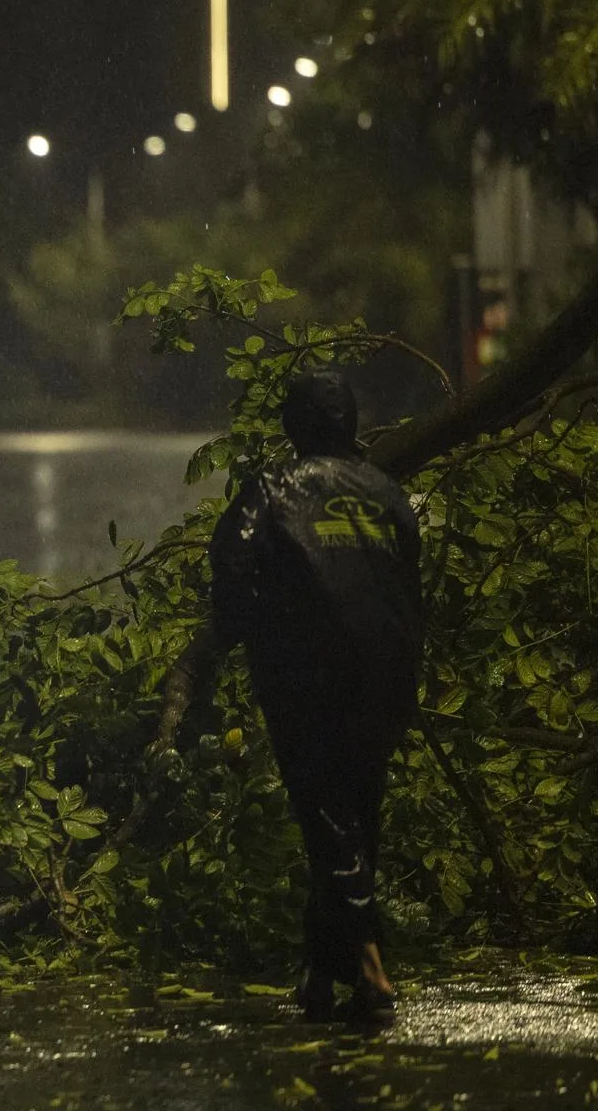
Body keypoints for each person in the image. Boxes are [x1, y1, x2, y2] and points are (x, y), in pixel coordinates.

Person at [209, 371, 423, 1021]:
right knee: (353, 816)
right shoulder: (387, 494)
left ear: (292, 429)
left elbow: (233, 570)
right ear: (350, 426)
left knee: (328, 819)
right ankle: (321, 978)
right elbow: (409, 579)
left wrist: (254, 637)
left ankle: (370, 963)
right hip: (387, 674)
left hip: (310, 675)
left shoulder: (274, 490)